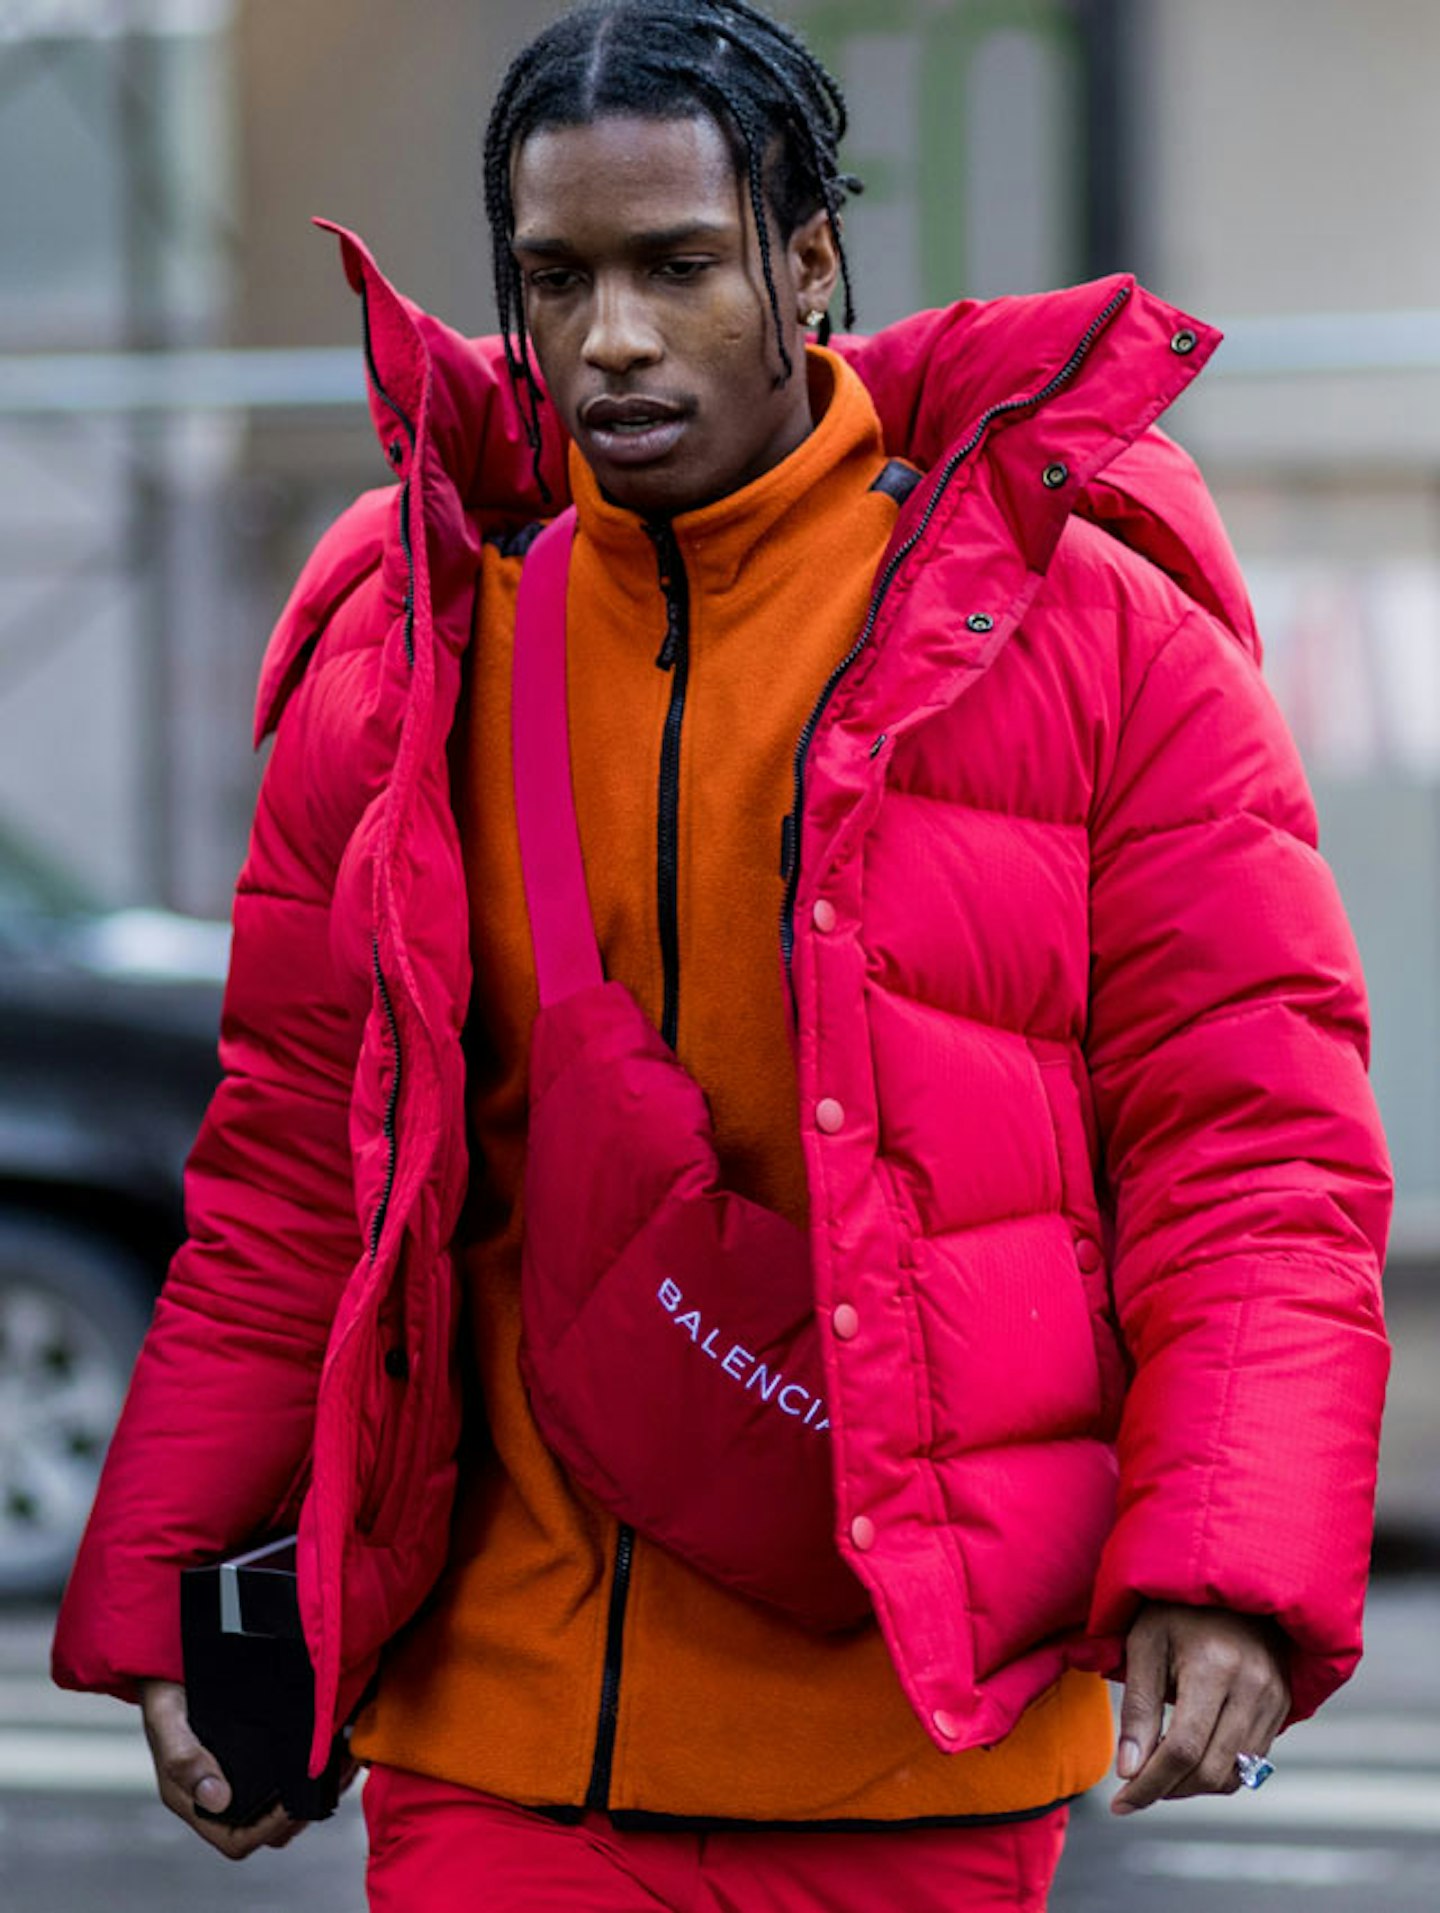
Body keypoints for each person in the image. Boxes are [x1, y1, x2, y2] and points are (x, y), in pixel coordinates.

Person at [52, 3, 1392, 1908]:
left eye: (677, 264)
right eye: (555, 277)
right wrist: (170, 1592)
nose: (611, 336)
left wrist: (1224, 1557)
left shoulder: (1084, 633)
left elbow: (1249, 1150)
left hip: (907, 1743)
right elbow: (287, 1177)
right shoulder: (410, 650)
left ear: (809, 261)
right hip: (496, 1736)